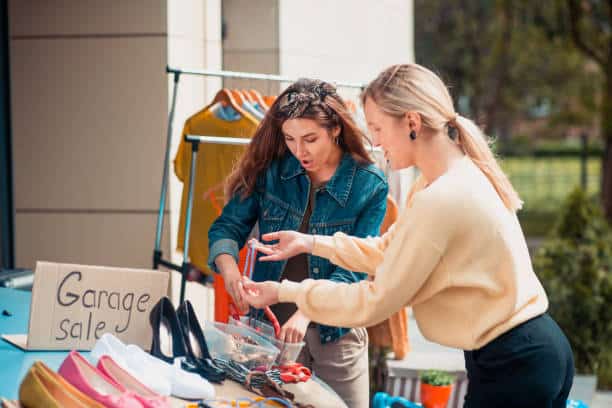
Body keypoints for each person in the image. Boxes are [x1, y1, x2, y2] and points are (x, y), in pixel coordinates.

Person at [243, 64, 575, 408]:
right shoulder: (442, 180)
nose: (374, 142)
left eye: (377, 128)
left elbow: (375, 300)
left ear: (412, 123)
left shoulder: (442, 198)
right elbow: (390, 251)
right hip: (528, 352)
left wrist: (285, 291)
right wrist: (311, 242)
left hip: (515, 362)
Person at [207, 78, 388, 408]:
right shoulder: (271, 173)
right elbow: (225, 229)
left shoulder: (369, 185)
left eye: (310, 139)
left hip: (338, 333)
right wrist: (231, 275)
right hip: (271, 335)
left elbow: (355, 268)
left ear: (335, 129)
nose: (299, 150)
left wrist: (307, 310)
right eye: (289, 139)